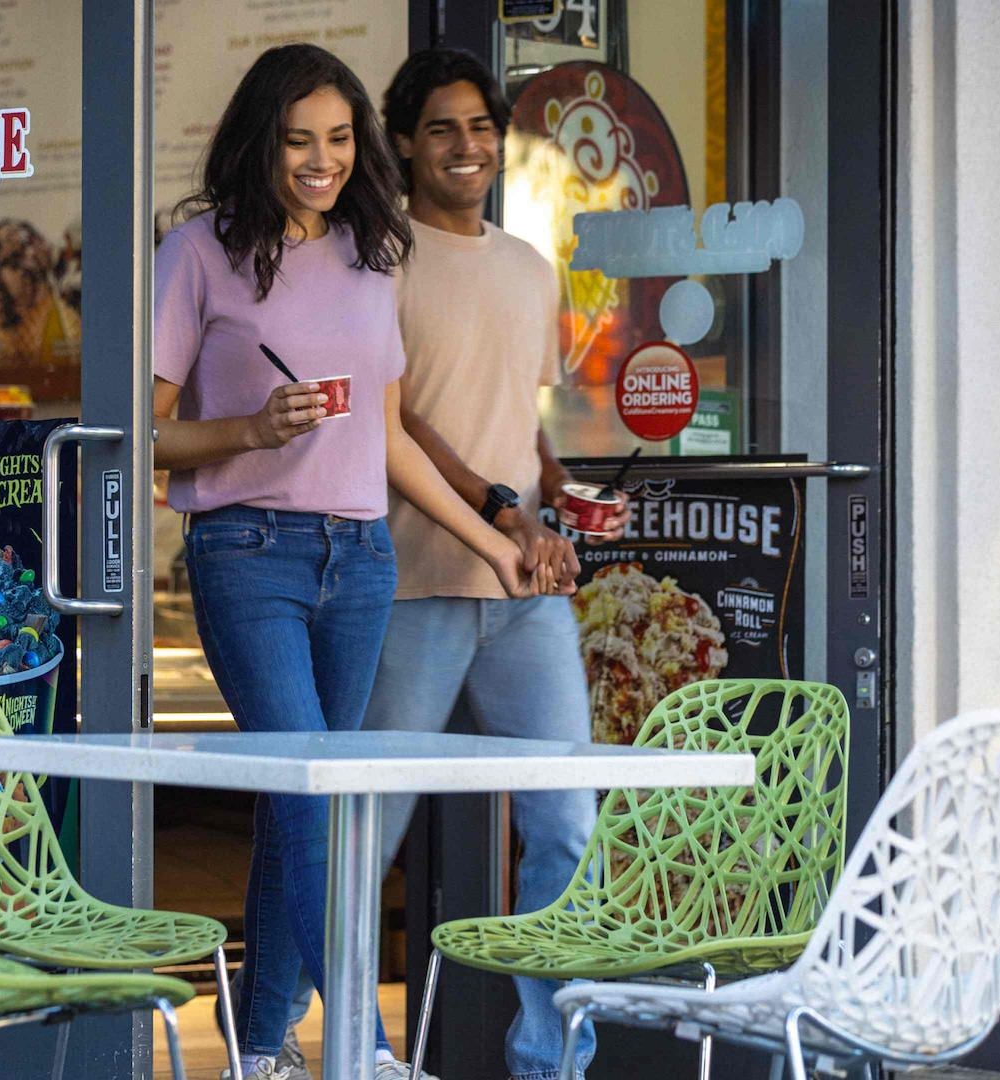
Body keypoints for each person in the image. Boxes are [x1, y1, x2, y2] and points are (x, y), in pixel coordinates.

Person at [153, 42, 534, 1080]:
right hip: (247, 556)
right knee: (314, 791)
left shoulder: (374, 252)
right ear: (259, 141)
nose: (321, 161)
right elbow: (141, 439)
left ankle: (264, 1044)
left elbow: (390, 437)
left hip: (359, 562)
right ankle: (362, 1044)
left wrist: (494, 543)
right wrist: (245, 429)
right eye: (297, 140)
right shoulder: (195, 254)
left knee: (298, 801)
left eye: (337, 139)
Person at [275, 47, 633, 1080]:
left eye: (481, 126)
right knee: (363, 843)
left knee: (567, 828)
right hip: (412, 584)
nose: (466, 146)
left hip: (526, 599)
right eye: (442, 128)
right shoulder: (373, 263)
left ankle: (549, 1059)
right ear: (403, 143)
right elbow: (402, 422)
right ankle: (348, 1051)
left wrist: (562, 491)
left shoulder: (528, 267)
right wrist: (503, 508)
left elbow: (521, 413)